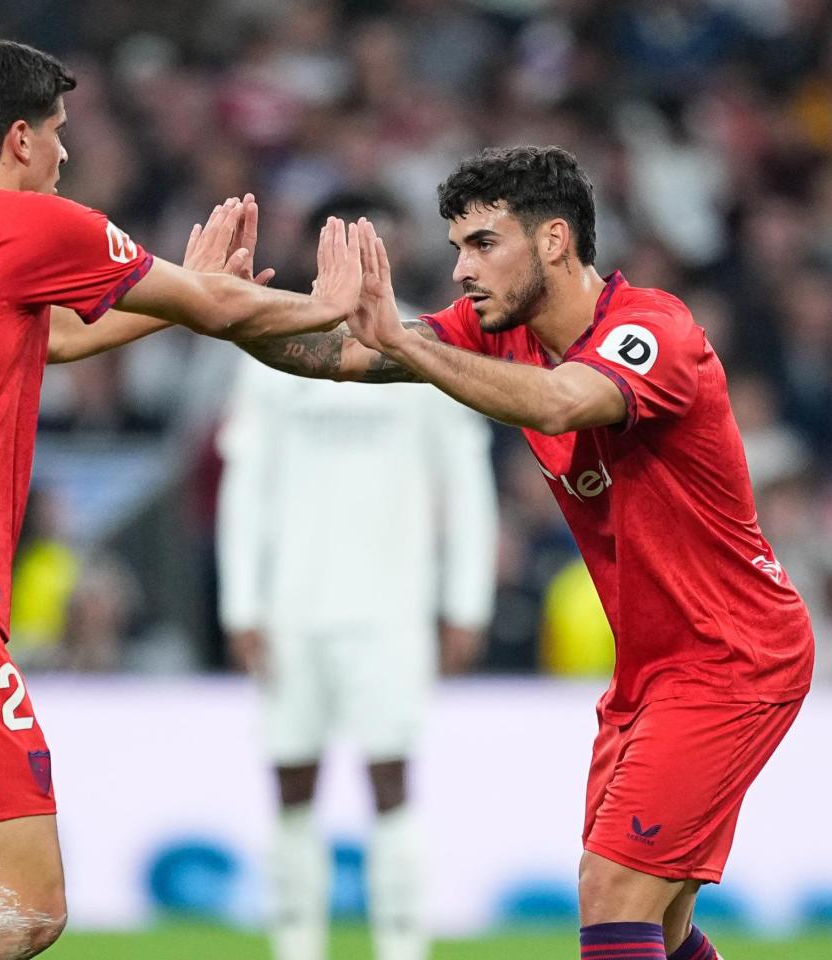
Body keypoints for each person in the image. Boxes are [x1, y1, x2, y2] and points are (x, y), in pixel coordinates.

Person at [0, 37, 363, 960]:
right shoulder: (28, 226)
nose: (67, 155)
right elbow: (219, 312)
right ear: (20, 138)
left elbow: (49, 341)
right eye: (60, 134)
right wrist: (329, 302)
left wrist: (196, 295)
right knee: (26, 910)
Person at [239, 146, 814, 960]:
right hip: (653, 665)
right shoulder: (494, 332)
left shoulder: (653, 330)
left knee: (611, 890)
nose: (462, 271)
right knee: (663, 919)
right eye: (455, 250)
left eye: (482, 244)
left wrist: (408, 347)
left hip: (733, 654)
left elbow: (557, 406)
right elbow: (344, 357)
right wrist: (221, 310)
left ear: (552, 241)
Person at [217, 196, 497, 960]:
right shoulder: (275, 346)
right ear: (321, 248)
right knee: (293, 785)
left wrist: (464, 600)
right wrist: (242, 602)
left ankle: (402, 947)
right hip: (291, 607)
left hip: (392, 606)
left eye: (379, 239)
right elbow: (247, 484)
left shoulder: (425, 345)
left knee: (391, 781)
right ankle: (296, 944)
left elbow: (465, 482)